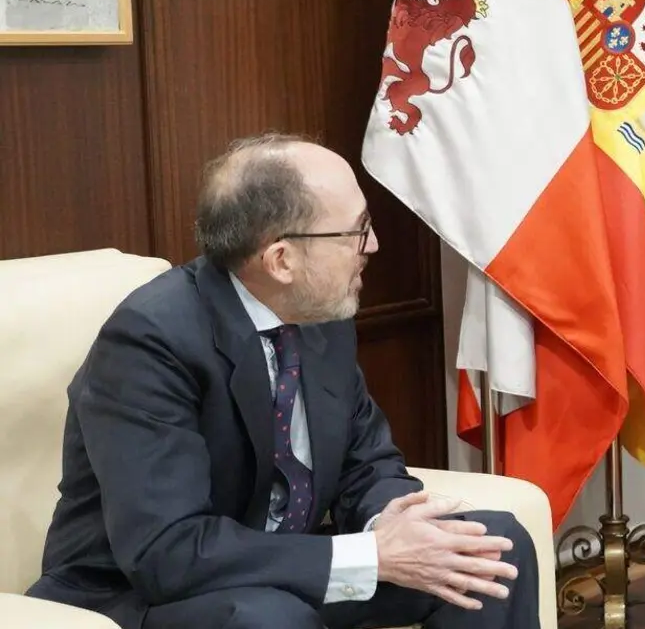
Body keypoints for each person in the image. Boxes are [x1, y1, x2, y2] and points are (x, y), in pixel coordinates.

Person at [25, 133, 538, 629]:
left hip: (275, 570)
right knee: (270, 618)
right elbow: (168, 551)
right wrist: (371, 555)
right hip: (134, 593)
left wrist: (394, 526)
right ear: (281, 260)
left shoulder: (321, 315)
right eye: (356, 231)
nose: (373, 245)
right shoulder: (150, 341)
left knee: (488, 548)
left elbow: (368, 465)